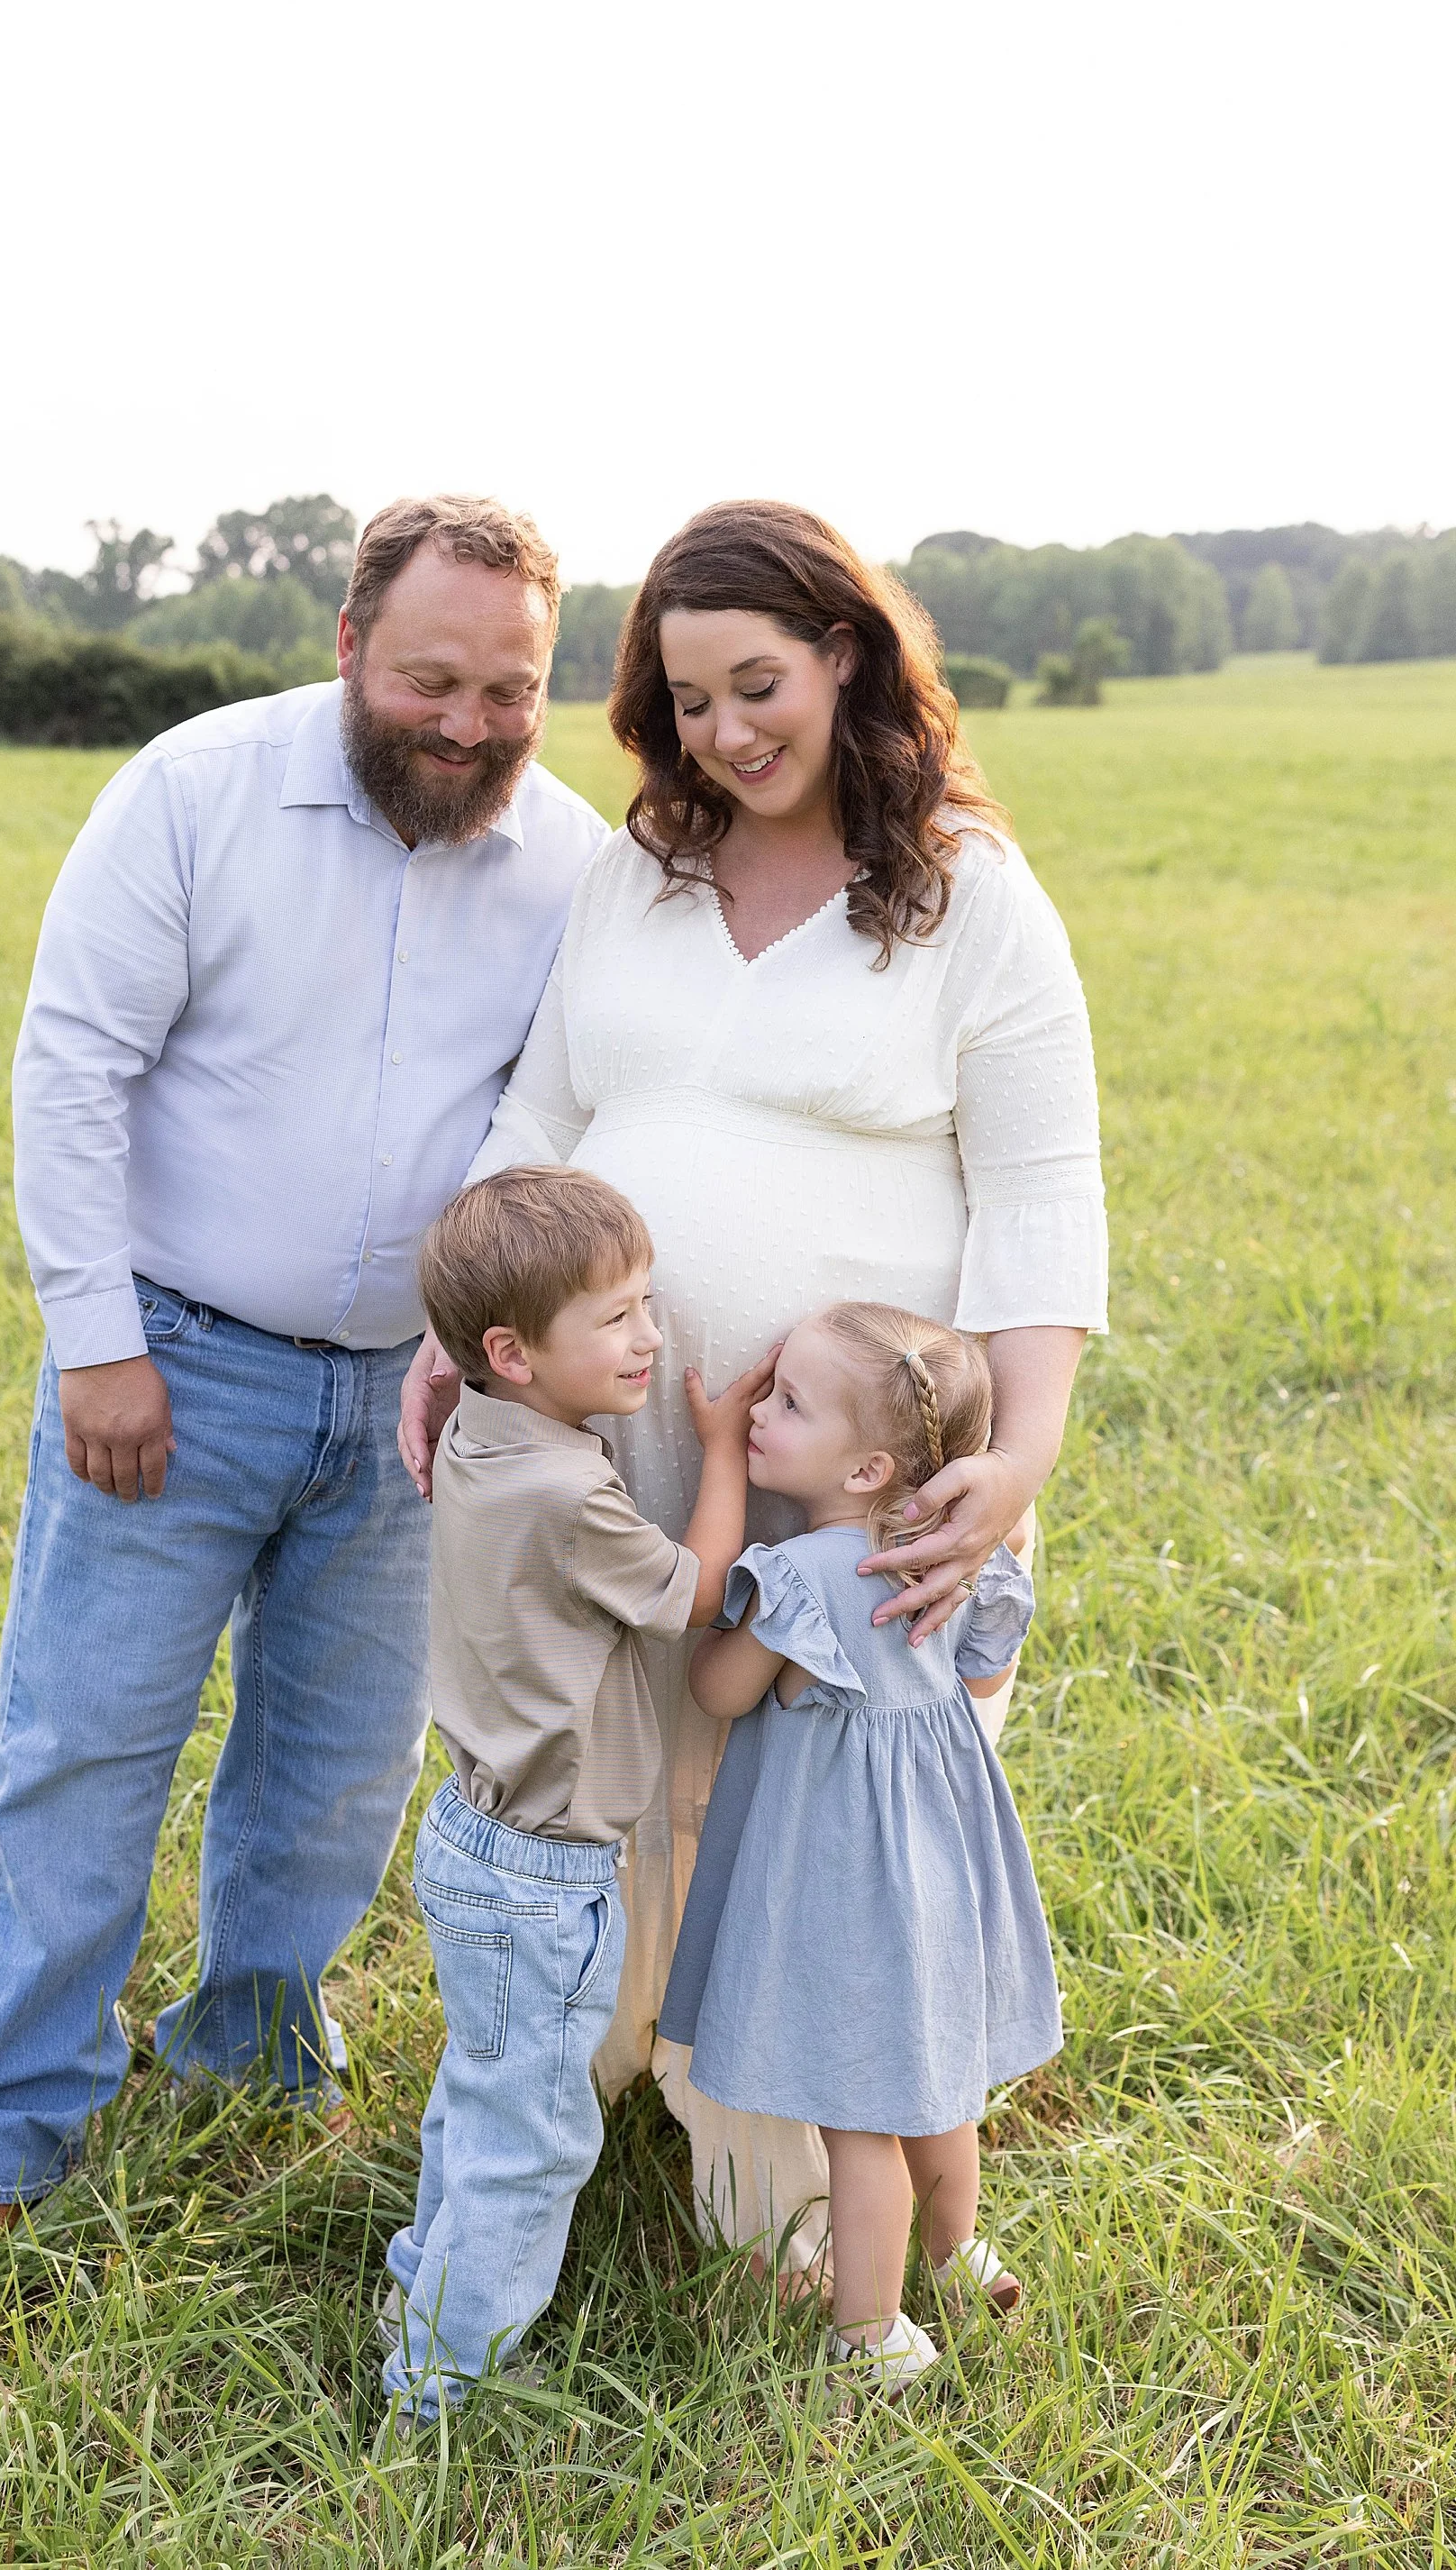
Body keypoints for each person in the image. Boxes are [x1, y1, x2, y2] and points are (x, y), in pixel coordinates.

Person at [400, 499, 1106, 2283]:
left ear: (851, 655)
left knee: (801, 1781)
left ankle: (791, 2145)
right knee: (619, 1728)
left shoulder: (964, 890)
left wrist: (1018, 1451)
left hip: (842, 1456)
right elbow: (545, 1112)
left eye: (756, 683)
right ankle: (608, 2046)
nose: (722, 731)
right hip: (621, 1424)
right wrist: (447, 1311)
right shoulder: (636, 868)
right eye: (684, 697)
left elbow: (1038, 1196)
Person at [0, 497, 607, 2264]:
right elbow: (72, 1064)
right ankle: (2, 2128)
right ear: (353, 638)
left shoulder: (570, 865)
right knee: (85, 1749)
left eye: (508, 688)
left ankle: (252, 2054)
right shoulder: (194, 791)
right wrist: (98, 1344)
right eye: (432, 675)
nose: (465, 719)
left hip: (408, 1401)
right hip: (173, 1366)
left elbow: (552, 1117)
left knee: (336, 1767)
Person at [379, 1167, 774, 2420]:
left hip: (477, 1837)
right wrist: (719, 1452)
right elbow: (700, 1589)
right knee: (535, 2138)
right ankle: (441, 2389)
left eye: (647, 1302)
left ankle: (419, 2297)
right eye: (613, 1317)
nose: (648, 1336)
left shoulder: (488, 1429)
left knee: (480, 2092)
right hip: (542, 1874)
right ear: (511, 1348)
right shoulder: (569, 1488)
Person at [658, 1304, 1060, 2397]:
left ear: (867, 1462)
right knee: (932, 2082)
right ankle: (958, 2251)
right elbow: (979, 1678)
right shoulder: (945, 1558)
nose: (762, 1408)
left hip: (838, 1875)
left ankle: (871, 2331)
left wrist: (716, 1479)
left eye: (787, 1400)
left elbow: (715, 1689)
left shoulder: (805, 1575)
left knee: (856, 2117)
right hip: (940, 1855)